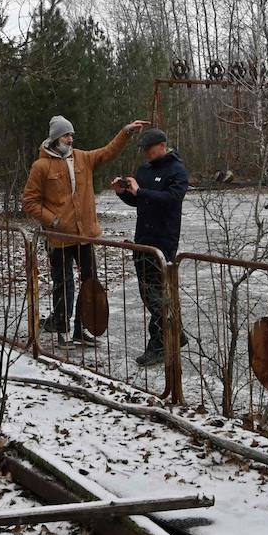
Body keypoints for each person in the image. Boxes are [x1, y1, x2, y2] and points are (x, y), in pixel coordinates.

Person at [22, 115, 148, 346]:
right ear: (55, 138)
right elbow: (30, 201)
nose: (70, 139)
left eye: (71, 135)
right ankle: (62, 331)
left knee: (89, 283)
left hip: (85, 236)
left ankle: (82, 329)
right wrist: (54, 220)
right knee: (63, 284)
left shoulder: (83, 158)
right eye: (66, 135)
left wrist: (126, 132)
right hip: (59, 238)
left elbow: (108, 152)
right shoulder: (41, 166)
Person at [111, 127, 189, 367]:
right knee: (150, 294)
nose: (145, 152)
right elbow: (139, 200)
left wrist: (141, 191)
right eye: (143, 149)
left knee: (157, 296)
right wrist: (123, 193)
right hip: (142, 239)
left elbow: (172, 200)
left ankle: (159, 345)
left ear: (163, 145)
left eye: (149, 148)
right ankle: (177, 333)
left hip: (163, 241)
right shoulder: (144, 170)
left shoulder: (177, 170)